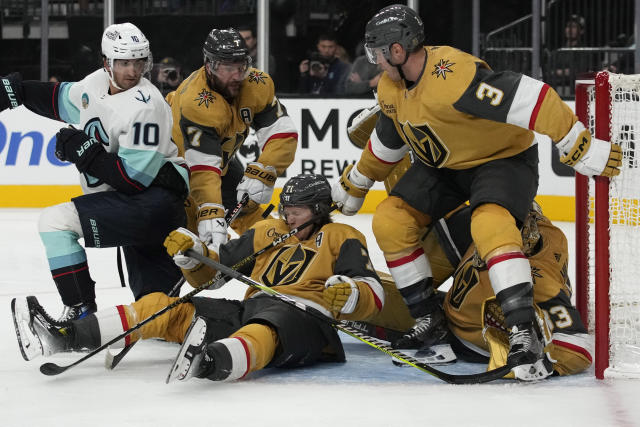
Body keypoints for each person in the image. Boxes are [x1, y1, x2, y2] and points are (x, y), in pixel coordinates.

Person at [331, 4, 621, 381]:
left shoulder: (454, 78)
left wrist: (575, 143)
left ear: (398, 50)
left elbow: (535, 99)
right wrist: (358, 181)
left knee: (490, 223)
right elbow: (388, 140)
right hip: (445, 167)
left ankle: (522, 332)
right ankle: (429, 322)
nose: (376, 61)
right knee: (390, 219)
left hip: (502, 160)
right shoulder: (392, 86)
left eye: (378, 52)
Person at [12, 174, 385, 383]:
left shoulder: (343, 237)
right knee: (163, 306)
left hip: (306, 319)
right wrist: (192, 256)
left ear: (319, 211)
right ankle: (67, 337)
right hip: (251, 309)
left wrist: (351, 294)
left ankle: (214, 362)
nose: (288, 217)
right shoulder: (265, 231)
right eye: (286, 210)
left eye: (297, 211)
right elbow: (215, 274)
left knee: (266, 326)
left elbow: (372, 292)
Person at [0, 23, 189, 322]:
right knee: (159, 310)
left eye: (139, 62)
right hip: (139, 206)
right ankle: (173, 322)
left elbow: (131, 180)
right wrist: (17, 92)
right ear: (106, 62)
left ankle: (81, 312)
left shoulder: (147, 105)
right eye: (124, 62)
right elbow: (59, 99)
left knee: (55, 222)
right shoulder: (97, 83)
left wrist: (82, 149)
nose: (132, 70)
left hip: (152, 204)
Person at [166, 27, 298, 254]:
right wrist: (210, 211)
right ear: (210, 65)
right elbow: (203, 167)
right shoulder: (195, 100)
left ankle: (279, 254)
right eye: (228, 68)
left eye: (241, 66)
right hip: (177, 171)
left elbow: (282, 133)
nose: (237, 75)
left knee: (248, 207)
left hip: (220, 164)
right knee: (193, 243)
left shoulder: (256, 83)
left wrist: (265, 169)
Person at [549, 14, 591, 97]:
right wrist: (566, 72)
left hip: (575, 92)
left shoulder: (584, 51)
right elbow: (549, 71)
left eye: (574, 27)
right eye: (568, 26)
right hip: (555, 91)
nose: (570, 29)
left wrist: (559, 72)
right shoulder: (558, 51)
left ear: (582, 31)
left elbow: (580, 72)